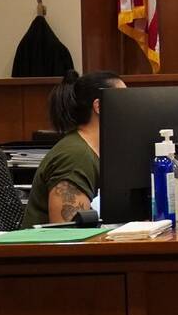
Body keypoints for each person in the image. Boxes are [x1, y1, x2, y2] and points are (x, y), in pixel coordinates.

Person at [23, 70, 124, 226]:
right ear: (99, 106)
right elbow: (69, 234)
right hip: (49, 250)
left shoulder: (91, 149)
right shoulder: (77, 156)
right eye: (124, 99)